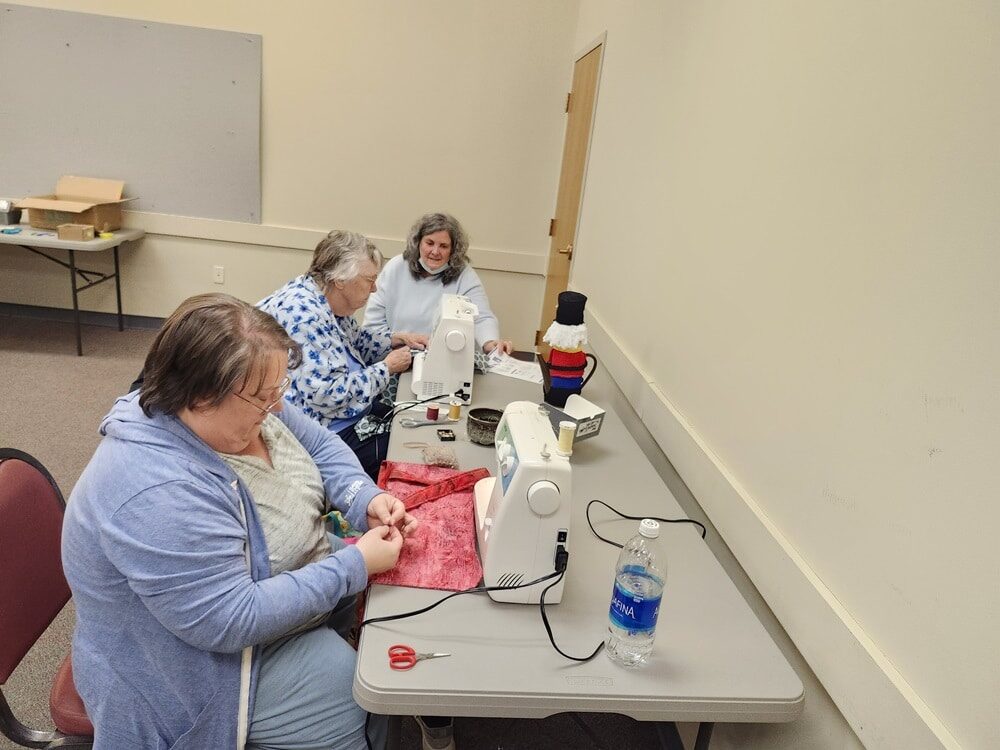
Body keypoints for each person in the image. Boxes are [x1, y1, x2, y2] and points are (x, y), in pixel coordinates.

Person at [62, 293, 417, 750]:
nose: (275, 408)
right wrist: (351, 567)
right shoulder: (154, 491)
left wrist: (362, 497)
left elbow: (321, 446)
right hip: (199, 664)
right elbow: (228, 620)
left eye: (278, 393)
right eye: (263, 399)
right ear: (200, 395)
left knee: (376, 641)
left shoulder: (245, 405)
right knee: (359, 688)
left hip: (269, 603)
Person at [258, 230, 428, 479]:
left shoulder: (324, 297)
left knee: (410, 421)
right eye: (369, 280)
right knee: (407, 453)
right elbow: (328, 394)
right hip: (318, 431)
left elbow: (356, 342)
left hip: (339, 414)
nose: (374, 288)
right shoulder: (305, 316)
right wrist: (387, 368)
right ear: (340, 280)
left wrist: (395, 340)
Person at [362, 212, 514, 355]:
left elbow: (482, 317)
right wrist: (396, 346)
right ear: (418, 243)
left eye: (443, 246)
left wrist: (490, 343)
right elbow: (373, 324)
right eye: (429, 243)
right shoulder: (396, 267)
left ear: (453, 250)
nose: (435, 251)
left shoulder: (464, 275)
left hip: (444, 358)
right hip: (397, 355)